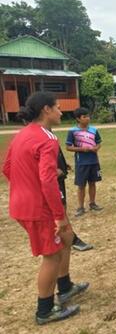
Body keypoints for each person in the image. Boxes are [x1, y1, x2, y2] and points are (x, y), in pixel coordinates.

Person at [2, 92, 89, 325]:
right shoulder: (46, 138)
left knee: (66, 241)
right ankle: (45, 310)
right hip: (38, 209)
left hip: (24, 204)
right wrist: (59, 216)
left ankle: (66, 286)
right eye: (57, 108)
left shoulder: (22, 134)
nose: (61, 112)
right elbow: (48, 180)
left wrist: (24, 186)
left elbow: (7, 168)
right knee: (51, 256)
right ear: (46, 110)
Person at [65, 107, 103, 217]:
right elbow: (68, 147)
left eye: (88, 116)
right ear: (78, 119)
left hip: (94, 161)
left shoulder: (94, 130)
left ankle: (92, 203)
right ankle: (81, 207)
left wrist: (96, 148)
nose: (87, 118)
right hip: (81, 162)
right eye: (84, 117)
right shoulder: (72, 131)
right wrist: (82, 149)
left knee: (93, 183)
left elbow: (99, 142)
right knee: (81, 185)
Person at [57, 146, 94, 251]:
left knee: (62, 207)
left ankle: (65, 238)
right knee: (61, 209)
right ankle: (72, 240)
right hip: (53, 180)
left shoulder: (49, 134)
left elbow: (56, 153)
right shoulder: (44, 135)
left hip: (59, 178)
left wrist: (63, 164)